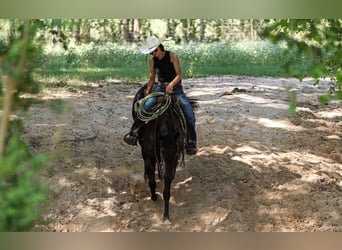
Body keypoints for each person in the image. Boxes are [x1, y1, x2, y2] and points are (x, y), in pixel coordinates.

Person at [123, 35, 197, 155]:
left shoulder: (172, 56)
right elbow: (152, 78)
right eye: (151, 52)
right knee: (146, 106)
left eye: (155, 50)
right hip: (160, 88)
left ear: (160, 47)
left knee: (189, 113)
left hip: (176, 89)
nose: (154, 53)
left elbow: (179, 75)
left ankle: (191, 141)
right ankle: (133, 133)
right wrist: (148, 91)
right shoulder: (152, 62)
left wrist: (171, 85)